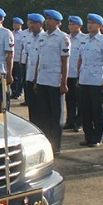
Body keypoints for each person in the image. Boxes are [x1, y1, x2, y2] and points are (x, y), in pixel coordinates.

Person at [33, 9, 70, 154]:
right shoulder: (42, 37)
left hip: (55, 80)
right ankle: (46, 142)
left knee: (56, 114)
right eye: (46, 19)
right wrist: (36, 79)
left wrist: (64, 82)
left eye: (50, 19)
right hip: (42, 78)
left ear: (57, 22)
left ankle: (56, 145)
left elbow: (65, 62)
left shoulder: (63, 38)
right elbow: (39, 59)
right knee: (43, 114)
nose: (47, 21)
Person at [76, 14, 103, 147]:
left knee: (97, 110)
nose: (90, 25)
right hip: (84, 77)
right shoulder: (84, 39)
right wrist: (78, 76)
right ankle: (88, 136)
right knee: (85, 109)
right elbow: (80, 59)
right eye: (88, 22)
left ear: (99, 26)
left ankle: (97, 137)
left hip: (97, 79)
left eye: (92, 23)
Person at [22, 13, 46, 122]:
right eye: (30, 23)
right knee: (31, 104)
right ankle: (33, 123)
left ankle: (41, 125)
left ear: (41, 24)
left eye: (34, 23)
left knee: (41, 104)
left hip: (41, 76)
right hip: (29, 74)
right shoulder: (28, 37)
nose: (31, 25)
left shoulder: (44, 37)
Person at [64, 15, 83, 131]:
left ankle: (79, 122)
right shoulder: (66, 38)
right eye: (70, 24)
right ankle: (70, 121)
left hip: (78, 74)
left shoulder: (83, 39)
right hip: (68, 73)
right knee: (69, 99)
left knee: (80, 100)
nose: (71, 26)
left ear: (79, 26)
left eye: (73, 24)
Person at [11, 17, 25, 99]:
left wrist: (21, 58)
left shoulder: (23, 34)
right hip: (12, 58)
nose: (14, 25)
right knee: (12, 76)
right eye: (13, 23)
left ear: (20, 25)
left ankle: (18, 92)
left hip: (19, 58)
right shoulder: (11, 33)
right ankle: (13, 91)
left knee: (19, 77)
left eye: (16, 23)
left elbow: (23, 47)